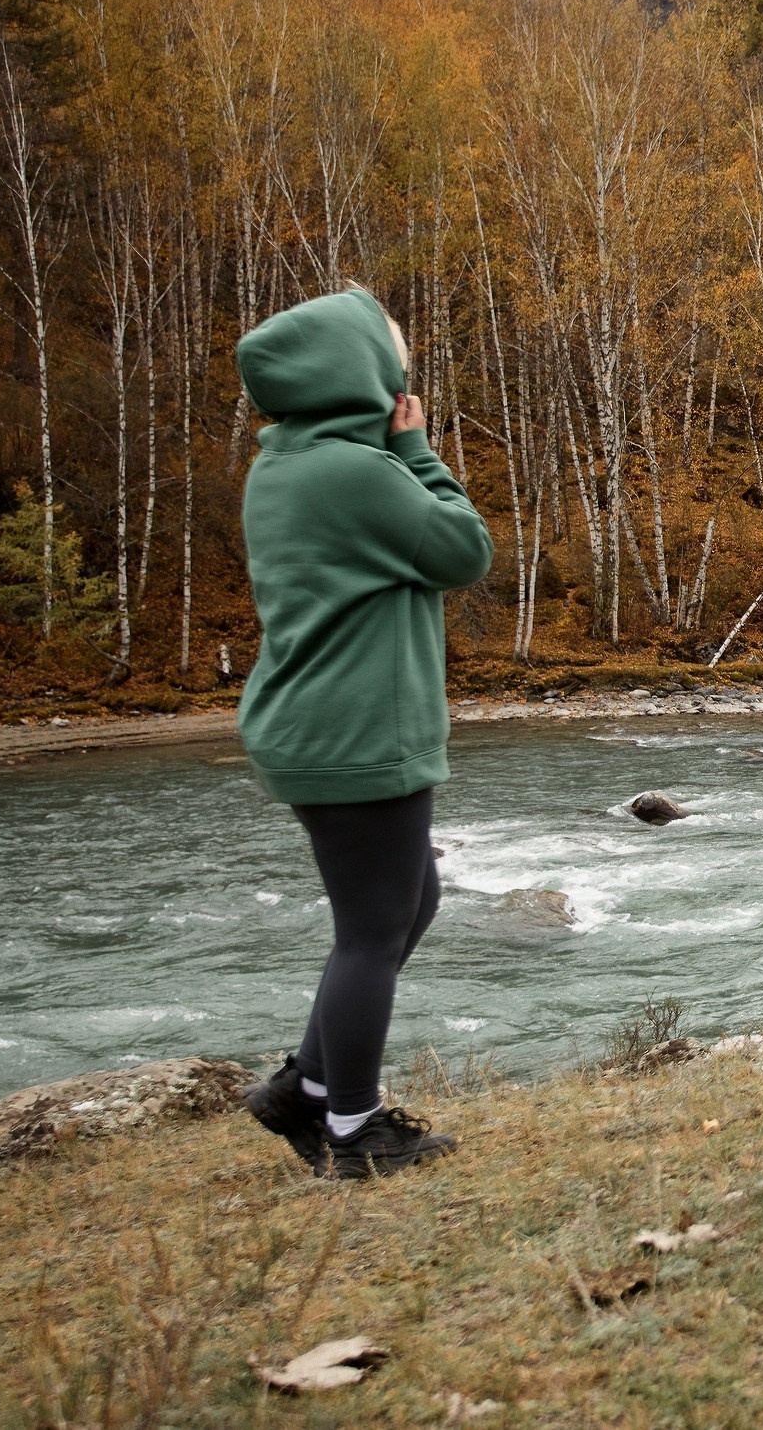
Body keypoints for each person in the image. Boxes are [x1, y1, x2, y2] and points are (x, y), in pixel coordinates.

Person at [232, 288, 496, 1177]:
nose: (403, 371)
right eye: (394, 356)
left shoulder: (283, 464)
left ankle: (303, 1089)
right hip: (355, 731)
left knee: (407, 902)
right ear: (360, 373)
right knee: (372, 932)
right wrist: (416, 447)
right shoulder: (358, 471)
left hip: (311, 722)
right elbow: (463, 549)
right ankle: (352, 1129)